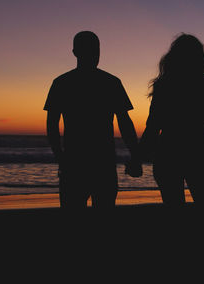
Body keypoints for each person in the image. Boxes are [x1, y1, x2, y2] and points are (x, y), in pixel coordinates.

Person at [44, 31, 142, 209]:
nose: (95, 55)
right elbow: (124, 122)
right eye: (92, 50)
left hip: (75, 161)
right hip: (100, 162)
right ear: (76, 52)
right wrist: (135, 155)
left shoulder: (62, 82)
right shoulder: (110, 82)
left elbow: (52, 124)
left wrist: (60, 156)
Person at [138, 33, 204, 207]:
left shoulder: (163, 87)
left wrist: (137, 157)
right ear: (200, 59)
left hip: (167, 154)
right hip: (198, 153)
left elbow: (153, 127)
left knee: (174, 209)